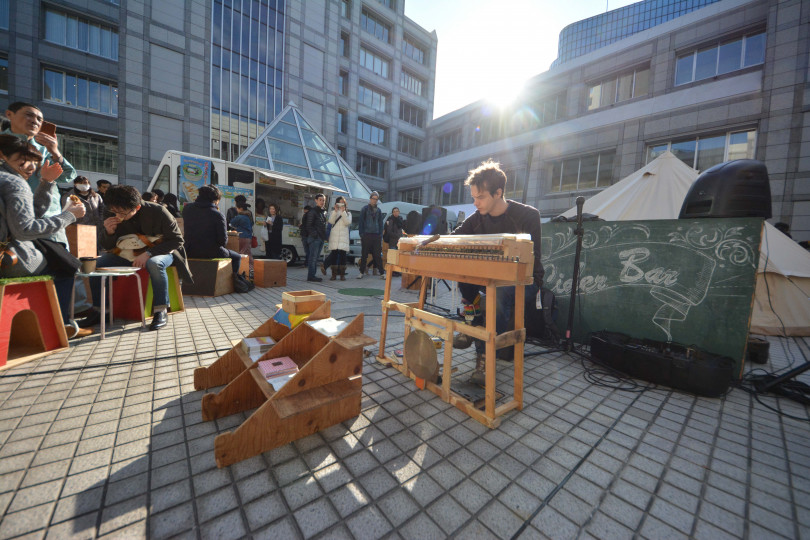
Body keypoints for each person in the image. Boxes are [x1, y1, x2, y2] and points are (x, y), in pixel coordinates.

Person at [452, 160, 544, 386]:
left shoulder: (528, 216)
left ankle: (485, 357)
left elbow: (532, 261)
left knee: (500, 291)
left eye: (480, 197)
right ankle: (472, 324)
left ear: (498, 193)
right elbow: (455, 238)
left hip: (526, 280)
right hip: (490, 278)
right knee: (461, 272)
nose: (475, 203)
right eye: (473, 197)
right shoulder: (476, 219)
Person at [0, 134, 91, 338]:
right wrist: (69, 215)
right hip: (9, 259)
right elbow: (25, 229)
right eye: (22, 161)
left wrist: (47, 182)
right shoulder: (14, 183)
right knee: (65, 264)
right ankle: (58, 325)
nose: (30, 167)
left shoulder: (7, 178)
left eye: (34, 162)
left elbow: (28, 214)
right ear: (3, 156)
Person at [91, 185, 191, 331]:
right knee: (97, 265)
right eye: (114, 211)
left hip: (162, 252)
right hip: (127, 253)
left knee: (155, 264)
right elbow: (107, 246)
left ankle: (160, 311)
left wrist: (149, 253)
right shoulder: (111, 212)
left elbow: (177, 241)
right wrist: (109, 232)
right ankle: (101, 311)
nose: (118, 216)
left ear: (137, 207)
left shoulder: (158, 211)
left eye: (122, 213)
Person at [3, 102, 77, 245]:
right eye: (29, 115)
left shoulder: (43, 148)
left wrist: (55, 152)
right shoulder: (2, 144)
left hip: (50, 221)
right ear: (9, 114)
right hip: (14, 224)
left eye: (39, 119)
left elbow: (68, 175)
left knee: (62, 264)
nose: (35, 121)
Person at [182, 184, 242, 274]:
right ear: (215, 199)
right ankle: (233, 283)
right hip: (210, 252)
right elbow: (223, 241)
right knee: (237, 257)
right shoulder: (217, 214)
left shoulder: (187, 209)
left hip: (189, 250)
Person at [322, 196, 351, 280]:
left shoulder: (348, 213)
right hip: (334, 236)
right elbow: (330, 222)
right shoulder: (333, 212)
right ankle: (333, 275)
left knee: (343, 256)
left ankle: (342, 275)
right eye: (339, 202)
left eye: (343, 203)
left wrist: (343, 212)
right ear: (336, 203)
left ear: (345, 204)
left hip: (343, 237)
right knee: (334, 255)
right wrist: (335, 211)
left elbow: (347, 222)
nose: (341, 204)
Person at [356, 191, 384, 279]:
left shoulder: (379, 210)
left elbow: (380, 223)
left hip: (376, 235)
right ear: (370, 199)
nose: (375, 201)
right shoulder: (364, 209)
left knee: (377, 255)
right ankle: (361, 272)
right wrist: (361, 234)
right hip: (366, 234)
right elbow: (361, 222)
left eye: (376, 199)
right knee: (364, 255)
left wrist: (380, 234)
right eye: (373, 199)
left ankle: (382, 273)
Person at [302, 194, 327, 282]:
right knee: (313, 258)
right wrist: (315, 235)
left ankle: (312, 275)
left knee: (315, 258)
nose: (322, 202)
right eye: (320, 200)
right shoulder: (313, 212)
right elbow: (309, 226)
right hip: (314, 238)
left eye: (323, 200)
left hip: (320, 238)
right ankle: (311, 276)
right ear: (316, 200)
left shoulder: (323, 212)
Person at [230, 203, 254, 275]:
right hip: (248, 237)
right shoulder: (248, 216)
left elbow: (232, 223)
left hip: (241, 236)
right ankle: (252, 269)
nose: (236, 210)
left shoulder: (240, 216)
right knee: (248, 253)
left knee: (241, 253)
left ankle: (242, 270)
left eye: (237, 208)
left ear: (240, 209)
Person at [384, 206, 405, 277]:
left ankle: (396, 271)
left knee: (397, 257)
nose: (396, 213)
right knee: (392, 257)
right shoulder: (391, 220)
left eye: (397, 211)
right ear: (392, 213)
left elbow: (401, 229)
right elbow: (389, 231)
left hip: (399, 241)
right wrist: (397, 236)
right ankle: (391, 271)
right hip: (393, 241)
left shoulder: (400, 219)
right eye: (394, 211)